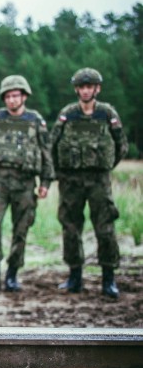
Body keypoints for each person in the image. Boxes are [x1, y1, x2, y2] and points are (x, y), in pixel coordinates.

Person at [50, 67, 128, 298]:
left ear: (97, 89)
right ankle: (74, 277)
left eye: (89, 87)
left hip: (98, 180)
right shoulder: (67, 114)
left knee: (105, 228)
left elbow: (120, 145)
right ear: (76, 89)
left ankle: (108, 279)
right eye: (82, 87)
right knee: (71, 227)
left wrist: (105, 168)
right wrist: (58, 173)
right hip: (70, 180)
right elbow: (52, 145)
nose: (85, 91)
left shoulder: (106, 113)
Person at [0, 75, 53, 292]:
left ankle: (13, 276)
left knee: (21, 230)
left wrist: (45, 182)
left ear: (24, 96)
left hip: (26, 184)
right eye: (8, 96)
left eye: (16, 95)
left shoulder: (35, 120)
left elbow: (46, 153)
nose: (12, 100)